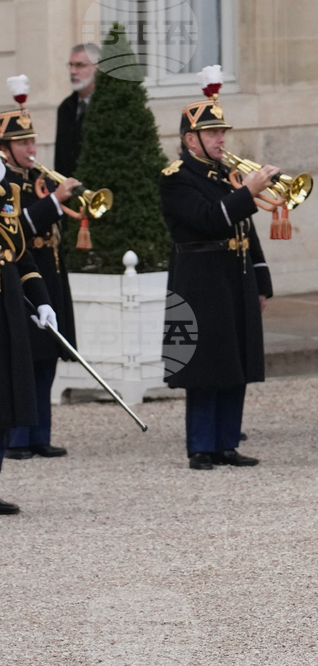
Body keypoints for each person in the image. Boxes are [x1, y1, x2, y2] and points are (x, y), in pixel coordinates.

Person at [159, 66, 274, 470]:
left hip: (235, 272)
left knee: (236, 358)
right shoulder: (176, 178)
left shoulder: (228, 174)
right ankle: (201, 446)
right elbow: (209, 218)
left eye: (222, 133)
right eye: (211, 134)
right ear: (191, 139)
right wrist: (248, 191)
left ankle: (227, 442)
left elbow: (247, 228)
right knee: (204, 361)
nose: (220, 139)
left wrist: (262, 280)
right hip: (199, 276)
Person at [0, 76, 79, 460]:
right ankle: (18, 439)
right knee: (22, 361)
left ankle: (39, 435)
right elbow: (19, 231)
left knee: (47, 358)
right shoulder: (8, 186)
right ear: (5, 149)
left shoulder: (39, 180)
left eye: (32, 141)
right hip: (14, 280)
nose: (30, 149)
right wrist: (54, 203)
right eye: (22, 142)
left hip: (46, 275)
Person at [0, 157, 58, 514]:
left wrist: (42, 302)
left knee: (3, 403)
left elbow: (22, 260)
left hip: (6, 313)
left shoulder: (11, 190)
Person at [55, 44, 99, 178]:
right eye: (71, 65)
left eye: (80, 65)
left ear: (97, 68)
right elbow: (60, 157)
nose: (73, 71)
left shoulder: (110, 105)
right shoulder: (65, 107)